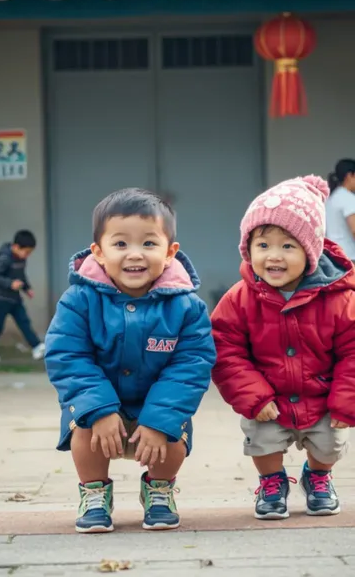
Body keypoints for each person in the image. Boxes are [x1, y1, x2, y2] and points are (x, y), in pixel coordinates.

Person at [45, 188, 215, 534]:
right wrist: (100, 408)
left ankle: (159, 489)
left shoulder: (187, 307)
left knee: (172, 436)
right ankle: (94, 494)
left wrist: (158, 419)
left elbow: (191, 366)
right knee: (86, 429)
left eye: (149, 244)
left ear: (170, 253)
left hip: (156, 405)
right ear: (99, 252)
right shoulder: (79, 299)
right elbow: (67, 356)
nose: (134, 254)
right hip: (101, 406)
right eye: (120, 244)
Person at [212, 175, 355, 521]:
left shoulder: (340, 299)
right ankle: (271, 482)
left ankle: (318, 476)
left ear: (311, 250)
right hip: (268, 397)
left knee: (329, 444)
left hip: (321, 396)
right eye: (263, 246)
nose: (273, 257)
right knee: (262, 442)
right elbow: (226, 349)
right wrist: (252, 395)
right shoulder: (240, 298)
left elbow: (352, 352)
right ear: (248, 249)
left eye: (288, 246)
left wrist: (345, 401)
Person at [0, 230, 45, 365]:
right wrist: (10, 284)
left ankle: (37, 347)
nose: (27, 256)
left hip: (15, 298)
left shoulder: (21, 259)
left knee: (24, 322)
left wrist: (26, 288)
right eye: (26, 252)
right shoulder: (5, 258)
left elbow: (21, 275)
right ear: (16, 247)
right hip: (1, 299)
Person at [326, 158, 355, 262]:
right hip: (349, 256)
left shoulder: (332, 198)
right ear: (349, 175)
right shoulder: (348, 198)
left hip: (333, 254)